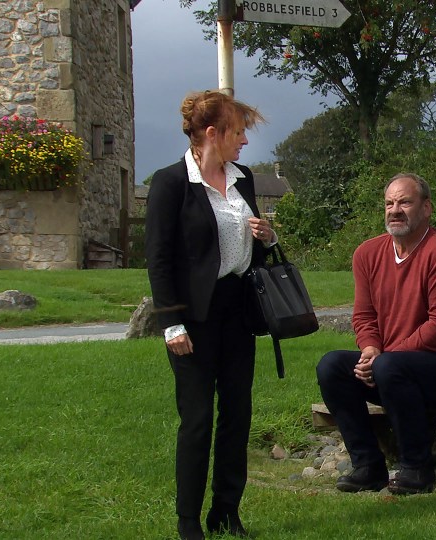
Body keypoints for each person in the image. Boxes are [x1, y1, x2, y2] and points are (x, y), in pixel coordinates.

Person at [145, 90, 275, 539]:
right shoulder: (170, 183)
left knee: (237, 414)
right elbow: (158, 260)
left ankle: (226, 511)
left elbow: (255, 250)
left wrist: (267, 236)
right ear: (211, 133)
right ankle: (188, 522)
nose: (243, 142)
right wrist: (171, 323)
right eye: (237, 132)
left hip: (239, 311)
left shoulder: (245, 180)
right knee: (198, 418)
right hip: (194, 318)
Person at [316, 172, 436, 495]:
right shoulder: (366, 254)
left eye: (405, 202)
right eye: (389, 203)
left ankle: (417, 469)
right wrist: (370, 350)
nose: (395, 209)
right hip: (391, 368)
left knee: (389, 368)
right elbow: (363, 316)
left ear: (426, 208)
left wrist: (386, 357)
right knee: (331, 367)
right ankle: (368, 466)